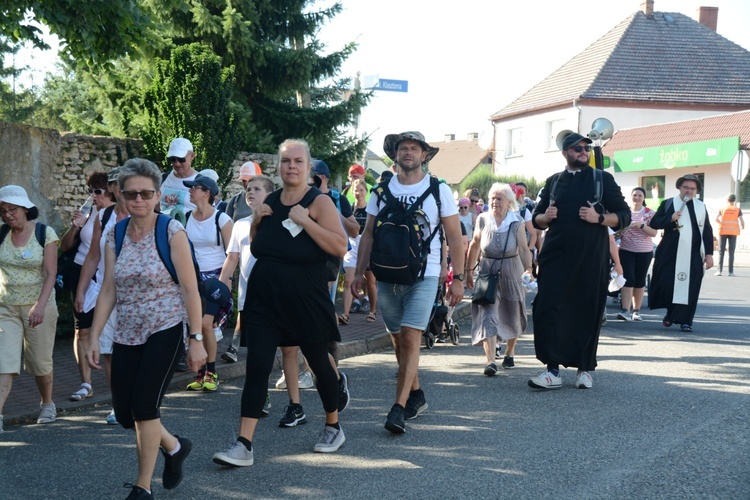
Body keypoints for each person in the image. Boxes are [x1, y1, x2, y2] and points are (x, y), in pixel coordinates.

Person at [212, 138, 348, 467]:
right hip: (264, 300)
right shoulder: (270, 201)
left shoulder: (319, 202)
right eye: (286, 161)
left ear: (308, 166)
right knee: (257, 367)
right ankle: (244, 444)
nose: (291, 166)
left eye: (298, 161)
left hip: (307, 299)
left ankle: (333, 425)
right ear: (279, 165)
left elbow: (340, 246)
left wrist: (305, 221)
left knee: (318, 362)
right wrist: (257, 223)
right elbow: (259, 250)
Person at [86, 159, 207, 499]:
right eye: (132, 194)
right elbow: (109, 288)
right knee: (126, 414)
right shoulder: (116, 234)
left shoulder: (171, 231)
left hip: (165, 327)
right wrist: (95, 336)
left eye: (146, 193)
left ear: (157, 196)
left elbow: (189, 289)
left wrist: (195, 339)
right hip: (127, 331)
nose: (139, 200)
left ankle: (142, 487)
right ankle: (175, 445)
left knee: (145, 407)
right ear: (121, 195)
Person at [353, 131, 465, 434]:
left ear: (424, 155)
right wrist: (358, 272)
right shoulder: (380, 190)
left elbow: (455, 237)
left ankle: (398, 408)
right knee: (398, 339)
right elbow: (369, 235)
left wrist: (460, 279)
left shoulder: (438, 190)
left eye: (415, 149)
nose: (408, 153)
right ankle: (416, 395)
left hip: (424, 274)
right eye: (403, 148)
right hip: (386, 273)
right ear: (396, 154)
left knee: (411, 336)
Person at [529, 132, 629, 390]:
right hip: (555, 257)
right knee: (547, 308)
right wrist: (545, 217)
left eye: (585, 147)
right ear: (565, 153)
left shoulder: (602, 179)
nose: (583, 152)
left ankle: (584, 369)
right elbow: (535, 219)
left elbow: (624, 215)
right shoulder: (553, 182)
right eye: (576, 148)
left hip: (591, 258)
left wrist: (600, 218)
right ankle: (551, 371)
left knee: (587, 309)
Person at [0, 185, 59, 430]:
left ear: (25, 209)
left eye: (12, 209)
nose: (8, 215)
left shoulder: (45, 233)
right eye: (3, 211)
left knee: (39, 362)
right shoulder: (1, 234)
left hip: (39, 306)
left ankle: (47, 403)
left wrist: (40, 306)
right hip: (6, 307)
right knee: (4, 361)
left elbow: (50, 272)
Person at [75, 167, 130, 423]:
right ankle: (118, 404)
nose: (120, 189)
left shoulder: (145, 213)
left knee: (135, 349)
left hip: (138, 295)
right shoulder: (104, 215)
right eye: (116, 185)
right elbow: (93, 255)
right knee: (108, 351)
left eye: (124, 184)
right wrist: (81, 290)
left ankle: (137, 399)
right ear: (111, 187)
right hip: (107, 292)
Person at [217, 174, 274, 414]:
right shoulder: (240, 225)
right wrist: (220, 288)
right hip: (249, 298)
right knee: (255, 352)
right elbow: (232, 260)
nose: (250, 192)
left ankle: (307, 387)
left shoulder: (277, 222)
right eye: (248, 189)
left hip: (275, 295)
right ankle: (262, 395)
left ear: (269, 194)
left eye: (257, 189)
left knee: (289, 349)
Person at [59, 172, 115, 403]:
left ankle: (116, 391)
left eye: (97, 191)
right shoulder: (90, 212)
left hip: (108, 277)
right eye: (90, 191)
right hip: (83, 273)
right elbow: (65, 246)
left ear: (111, 192)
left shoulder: (118, 214)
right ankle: (86, 383)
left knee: (109, 333)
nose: (92, 196)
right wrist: (75, 227)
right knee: (82, 329)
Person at [465, 183, 532, 376]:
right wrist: (469, 271)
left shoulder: (516, 221)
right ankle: (491, 361)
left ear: (509, 202)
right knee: (488, 314)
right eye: (492, 198)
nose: (495, 201)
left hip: (512, 270)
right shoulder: (483, 219)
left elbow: (523, 248)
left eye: (499, 198)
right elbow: (475, 244)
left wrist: (529, 268)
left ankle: (510, 352)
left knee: (513, 312)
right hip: (487, 271)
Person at [181, 174, 233, 392]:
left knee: (206, 324)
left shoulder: (222, 219)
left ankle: (211, 372)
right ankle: (202, 374)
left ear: (207, 193)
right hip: (193, 278)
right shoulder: (184, 217)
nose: (190, 191)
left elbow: (233, 255)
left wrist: (225, 286)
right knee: (195, 325)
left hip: (216, 278)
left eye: (195, 188)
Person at [649, 174, 714, 332]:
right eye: (686, 187)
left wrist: (709, 254)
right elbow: (654, 223)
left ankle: (686, 321)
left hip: (693, 254)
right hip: (669, 253)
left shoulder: (701, 207)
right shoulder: (668, 203)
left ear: (697, 191)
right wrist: (670, 218)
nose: (689, 191)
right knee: (669, 284)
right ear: (679, 187)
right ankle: (670, 314)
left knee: (691, 287)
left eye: (693, 188)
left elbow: (707, 231)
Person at [616, 187, 657, 321]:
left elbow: (654, 233)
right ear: (631, 196)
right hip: (626, 250)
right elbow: (616, 231)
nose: (637, 198)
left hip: (644, 251)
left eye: (640, 195)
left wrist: (641, 226)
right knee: (628, 278)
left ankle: (636, 311)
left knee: (640, 280)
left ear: (644, 198)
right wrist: (621, 231)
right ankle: (625, 310)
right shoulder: (625, 212)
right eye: (635, 195)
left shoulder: (649, 213)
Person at [340, 179, 378, 325]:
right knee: (349, 280)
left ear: (366, 192)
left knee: (370, 281)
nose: (358, 193)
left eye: (361, 190)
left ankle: (373, 311)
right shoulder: (349, 209)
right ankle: (345, 314)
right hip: (352, 246)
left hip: (367, 245)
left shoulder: (370, 210)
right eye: (356, 190)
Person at [160, 137, 198, 218]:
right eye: (173, 159)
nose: (177, 164)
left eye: (181, 159)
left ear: (192, 156)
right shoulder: (162, 178)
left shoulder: (200, 181)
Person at [715, 193, 744, 277]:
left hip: (723, 232)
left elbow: (716, 219)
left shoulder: (722, 209)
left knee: (721, 252)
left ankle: (719, 271)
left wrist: (721, 223)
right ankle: (730, 272)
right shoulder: (737, 209)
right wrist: (742, 226)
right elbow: (742, 221)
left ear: (727, 200)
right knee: (731, 252)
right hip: (733, 233)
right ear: (734, 200)